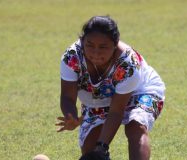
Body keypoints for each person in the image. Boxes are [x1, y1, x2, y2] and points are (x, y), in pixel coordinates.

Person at [56, 15, 165, 160]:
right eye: (90, 45)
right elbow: (67, 97)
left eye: (103, 47)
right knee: (89, 149)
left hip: (141, 90)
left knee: (135, 126)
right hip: (99, 97)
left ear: (115, 44)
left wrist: (102, 147)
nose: (95, 53)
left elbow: (116, 111)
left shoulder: (128, 64)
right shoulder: (71, 57)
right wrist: (71, 116)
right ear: (82, 41)